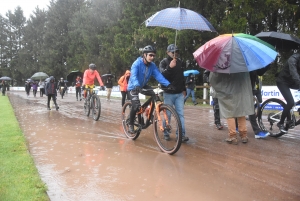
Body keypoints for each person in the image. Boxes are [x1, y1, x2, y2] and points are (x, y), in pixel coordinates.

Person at [127, 45, 172, 134]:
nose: (152, 57)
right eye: (150, 55)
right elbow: (134, 76)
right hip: (133, 87)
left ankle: (148, 112)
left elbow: (158, 76)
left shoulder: (152, 65)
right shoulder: (137, 63)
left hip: (143, 85)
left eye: (153, 56)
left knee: (154, 94)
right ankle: (131, 124)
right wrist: (136, 85)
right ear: (144, 54)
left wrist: (168, 84)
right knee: (136, 106)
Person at [210, 72, 254, 144]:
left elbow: (214, 79)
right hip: (240, 91)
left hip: (227, 92)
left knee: (229, 113)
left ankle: (232, 136)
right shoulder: (241, 64)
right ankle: (244, 135)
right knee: (241, 112)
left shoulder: (223, 65)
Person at [159, 44, 189, 142]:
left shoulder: (180, 62)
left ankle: (181, 135)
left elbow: (181, 77)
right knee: (168, 114)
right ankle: (166, 133)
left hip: (179, 93)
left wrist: (184, 88)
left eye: (177, 52)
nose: (175, 54)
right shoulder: (163, 62)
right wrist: (170, 67)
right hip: (168, 93)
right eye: (173, 52)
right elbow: (162, 76)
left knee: (180, 115)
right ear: (168, 52)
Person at [276, 53, 300, 133]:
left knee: (292, 103)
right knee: (290, 102)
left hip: (292, 82)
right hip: (282, 81)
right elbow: (294, 74)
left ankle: (291, 120)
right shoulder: (293, 59)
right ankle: (281, 123)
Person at [248, 68, 270, 138]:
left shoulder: (252, 64)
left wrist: (269, 64)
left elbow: (259, 72)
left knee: (250, 109)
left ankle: (257, 131)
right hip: (243, 89)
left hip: (252, 89)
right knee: (248, 110)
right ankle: (257, 131)